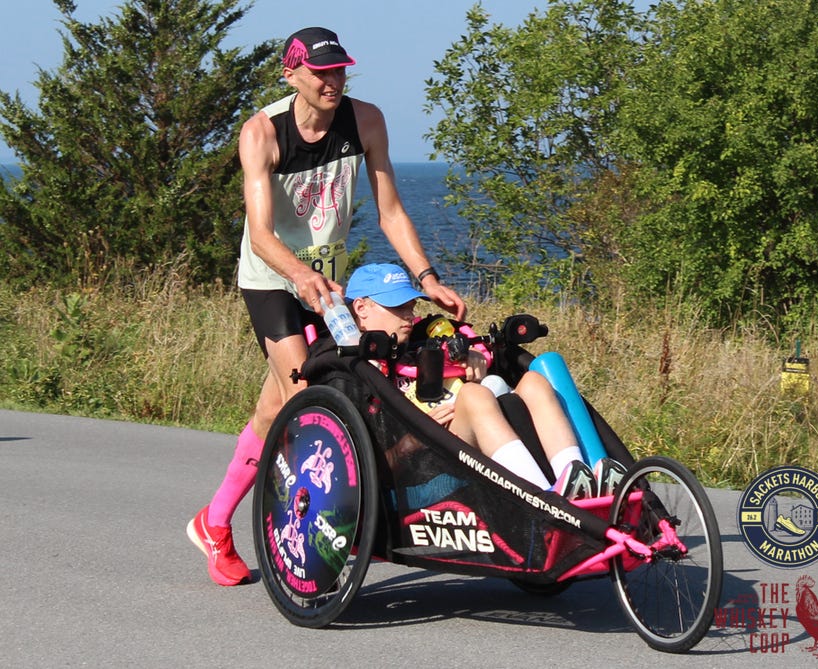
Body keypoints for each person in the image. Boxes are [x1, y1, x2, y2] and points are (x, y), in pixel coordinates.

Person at [187, 27, 465, 587]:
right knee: (308, 399)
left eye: (339, 70)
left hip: (326, 284)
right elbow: (262, 234)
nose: (333, 80)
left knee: (271, 413)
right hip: (272, 278)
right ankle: (320, 534)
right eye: (320, 72)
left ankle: (213, 522)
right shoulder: (261, 132)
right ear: (291, 75)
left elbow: (390, 212)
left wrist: (426, 278)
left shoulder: (366, 121)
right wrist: (300, 274)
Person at [344, 263, 600, 499]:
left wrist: (474, 355)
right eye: (397, 306)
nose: (408, 315)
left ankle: (576, 481)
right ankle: (540, 498)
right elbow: (361, 472)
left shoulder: (420, 342)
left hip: (464, 443)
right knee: (473, 396)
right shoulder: (353, 372)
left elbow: (467, 345)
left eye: (410, 305)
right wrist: (410, 441)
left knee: (534, 381)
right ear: (361, 308)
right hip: (423, 467)